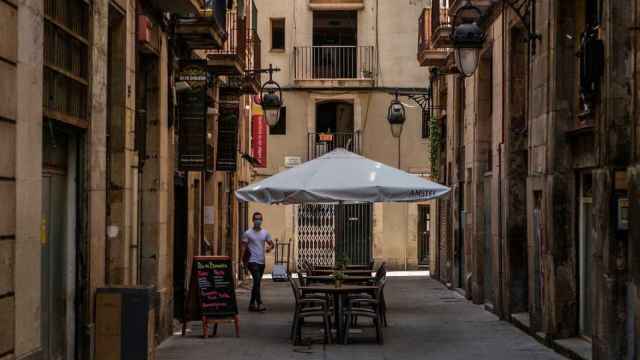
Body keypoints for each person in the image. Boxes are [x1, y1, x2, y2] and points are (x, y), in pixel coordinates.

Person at [241, 212, 274, 312]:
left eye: (259, 219)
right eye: (256, 219)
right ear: (253, 220)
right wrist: (242, 261)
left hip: (261, 262)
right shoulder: (247, 233)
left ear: (262, 220)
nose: (258, 221)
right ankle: (259, 303)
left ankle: (251, 304)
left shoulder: (265, 233)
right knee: (256, 280)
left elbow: (272, 244)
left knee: (257, 282)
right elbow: (243, 247)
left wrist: (269, 248)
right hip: (252, 261)